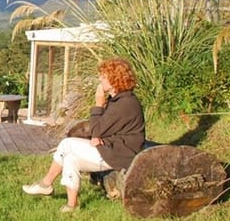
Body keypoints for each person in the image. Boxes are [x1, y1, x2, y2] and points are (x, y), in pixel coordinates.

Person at [22, 57, 145, 212]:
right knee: (70, 158)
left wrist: (98, 104)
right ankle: (71, 205)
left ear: (115, 79)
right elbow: (112, 129)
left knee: (67, 144)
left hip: (121, 156)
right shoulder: (120, 100)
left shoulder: (124, 103)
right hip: (115, 149)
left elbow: (96, 129)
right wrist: (102, 139)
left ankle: (46, 184)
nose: (100, 79)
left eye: (104, 76)